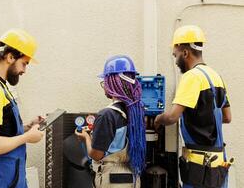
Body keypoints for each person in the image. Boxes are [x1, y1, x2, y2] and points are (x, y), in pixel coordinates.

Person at [154, 25, 232, 188]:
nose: (176, 61)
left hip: (200, 168)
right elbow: (226, 117)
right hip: (219, 164)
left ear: (185, 52)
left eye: (175, 55)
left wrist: (158, 119)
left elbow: (172, 117)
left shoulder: (191, 77)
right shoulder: (216, 76)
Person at [0, 29, 45, 188]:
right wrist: (27, 137)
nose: (24, 70)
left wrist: (26, 128)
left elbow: (1, 131)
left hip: (8, 175)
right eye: (24, 63)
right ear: (10, 57)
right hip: (1, 178)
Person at [75, 55, 146, 188]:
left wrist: (86, 138)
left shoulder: (107, 115)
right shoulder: (137, 111)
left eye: (105, 81)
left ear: (112, 82)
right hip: (133, 178)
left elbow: (96, 155)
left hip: (112, 179)